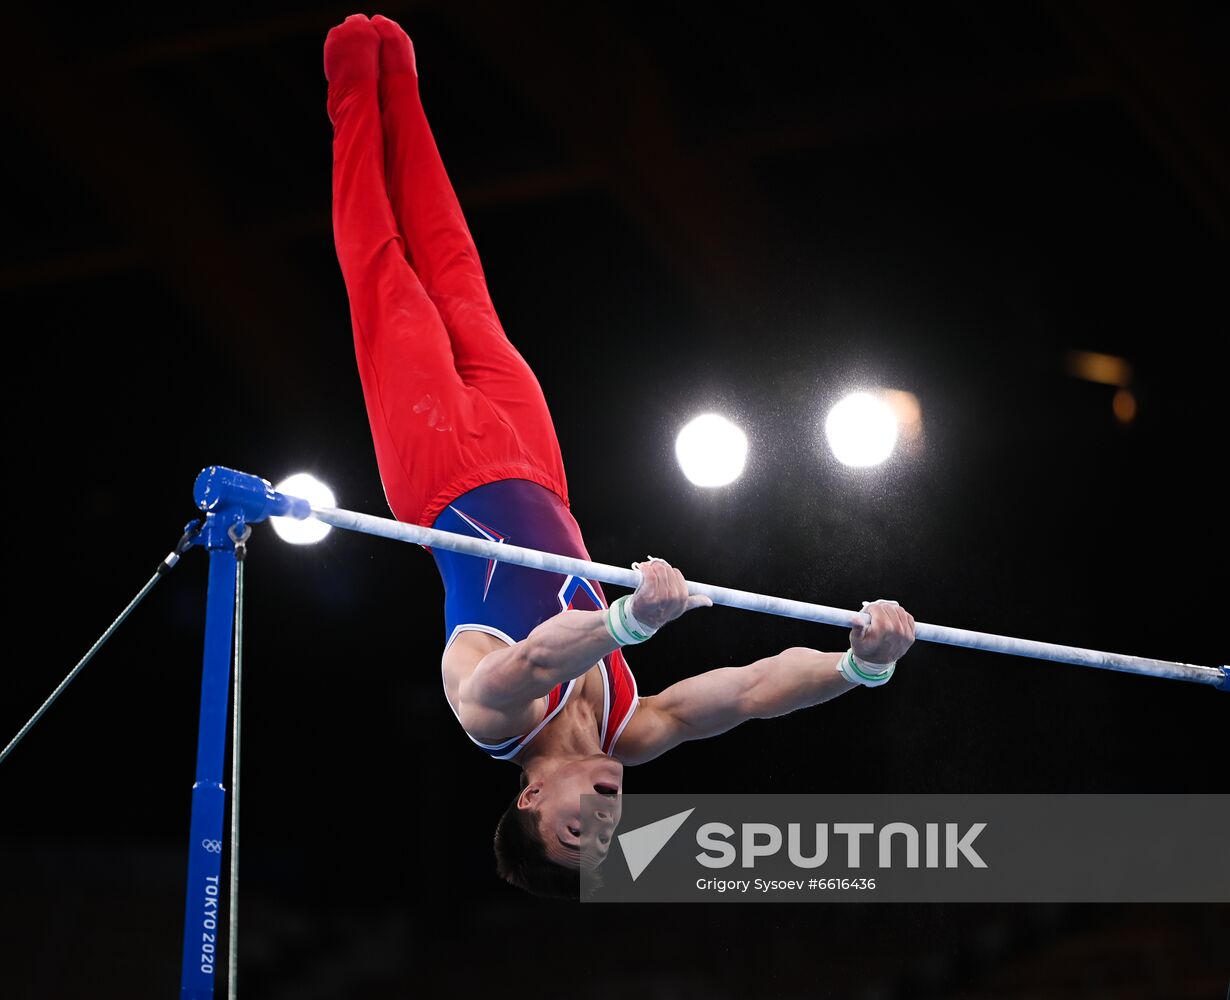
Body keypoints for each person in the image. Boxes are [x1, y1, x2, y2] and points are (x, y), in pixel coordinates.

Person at [324, 13, 916, 898]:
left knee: (392, 282)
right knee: (458, 273)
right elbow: (752, 692)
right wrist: (858, 666)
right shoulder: (634, 728)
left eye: (574, 828)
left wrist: (627, 624)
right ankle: (403, 85)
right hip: (538, 466)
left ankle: (352, 91)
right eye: (609, 832)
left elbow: (534, 659)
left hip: (441, 476)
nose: (604, 812)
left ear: (528, 800)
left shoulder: (493, 719)